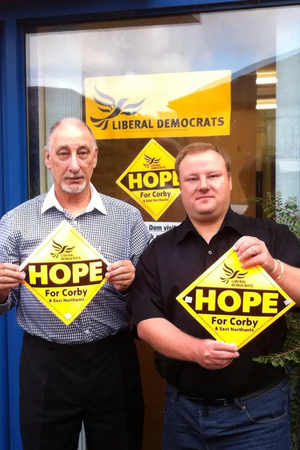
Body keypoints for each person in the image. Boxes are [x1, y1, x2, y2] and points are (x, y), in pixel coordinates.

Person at [132, 142, 300, 450]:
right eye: (192, 179)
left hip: (259, 415)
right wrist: (196, 350)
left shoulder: (271, 237)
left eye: (213, 175)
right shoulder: (158, 251)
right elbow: (146, 321)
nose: (203, 186)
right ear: (180, 186)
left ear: (230, 180)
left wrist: (273, 266)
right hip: (182, 415)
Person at [0, 117, 151, 450]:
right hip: (46, 362)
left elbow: (151, 298)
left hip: (112, 358)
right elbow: (4, 303)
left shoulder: (127, 218)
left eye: (83, 153)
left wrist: (131, 285)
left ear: (95, 157)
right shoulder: (15, 221)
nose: (74, 165)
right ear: (47, 158)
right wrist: (1, 290)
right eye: (63, 153)